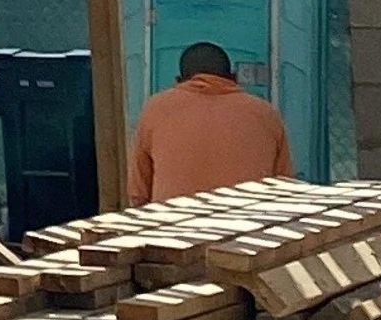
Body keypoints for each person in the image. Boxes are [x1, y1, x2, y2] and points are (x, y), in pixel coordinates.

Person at [127, 41, 296, 205]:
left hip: (174, 222)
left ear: (179, 80)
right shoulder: (266, 114)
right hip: (247, 221)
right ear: (233, 77)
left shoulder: (155, 109)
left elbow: (138, 193)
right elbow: (285, 190)